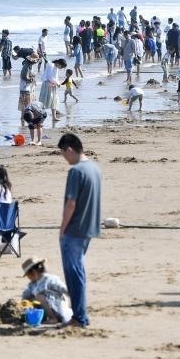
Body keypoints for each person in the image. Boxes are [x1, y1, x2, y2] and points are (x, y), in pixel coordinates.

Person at [58, 133, 102, 328]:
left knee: (74, 275)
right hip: (89, 227)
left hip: (75, 229)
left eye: (63, 154)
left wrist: (62, 229)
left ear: (69, 149)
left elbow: (71, 203)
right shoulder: (94, 168)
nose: (65, 158)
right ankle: (80, 315)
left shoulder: (76, 171)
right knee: (79, 271)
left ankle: (79, 317)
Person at [21, 256, 73, 325]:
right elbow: (27, 293)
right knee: (33, 299)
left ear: (33, 272)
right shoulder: (33, 284)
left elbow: (63, 289)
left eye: (27, 275)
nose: (28, 278)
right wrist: (24, 301)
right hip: (46, 309)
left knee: (39, 297)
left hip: (58, 309)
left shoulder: (50, 279)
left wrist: (72, 296)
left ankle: (53, 318)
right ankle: (41, 317)